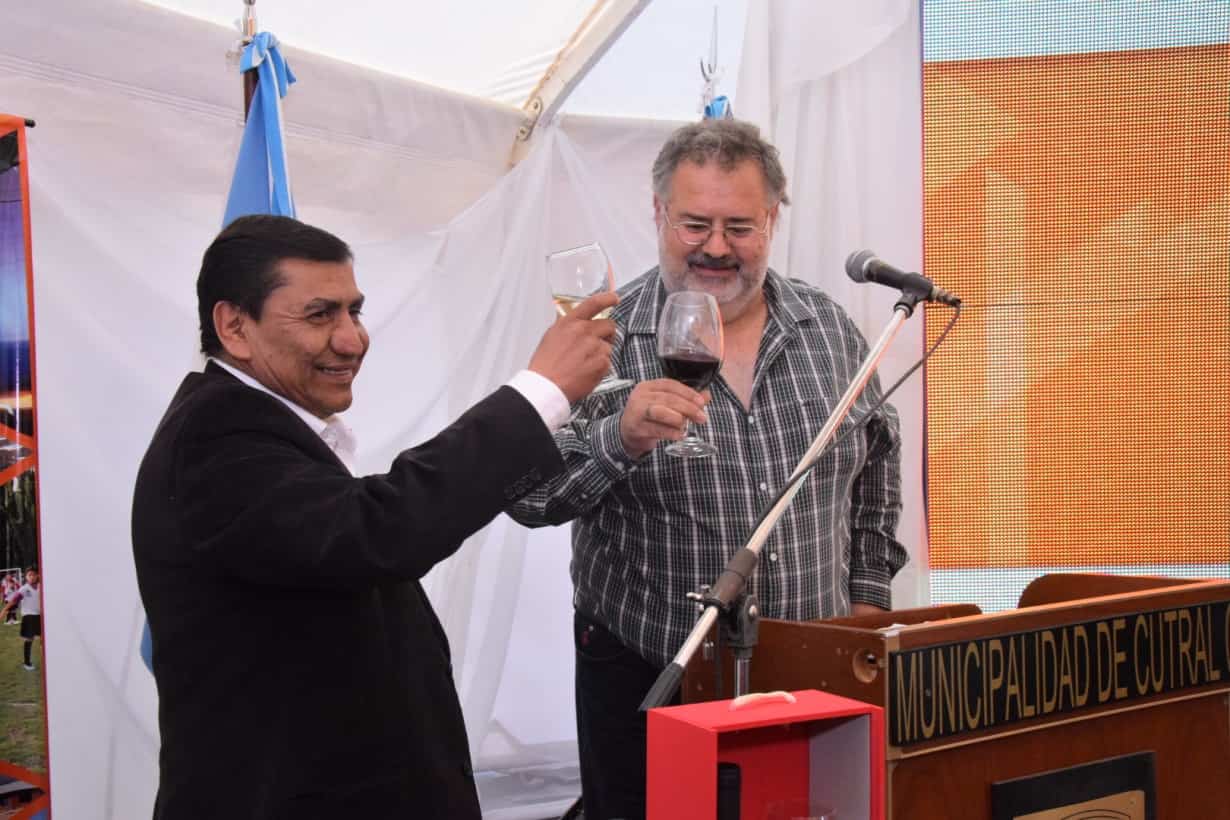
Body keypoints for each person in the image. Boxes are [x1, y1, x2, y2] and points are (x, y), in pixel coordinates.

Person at [131, 214, 618, 820]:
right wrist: (540, 393)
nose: (352, 340)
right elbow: (379, 532)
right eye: (320, 315)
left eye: (354, 311)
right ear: (234, 326)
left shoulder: (252, 426)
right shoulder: (216, 437)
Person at [507, 118, 908, 819]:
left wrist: (867, 603)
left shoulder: (826, 328)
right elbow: (528, 495)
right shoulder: (601, 339)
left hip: (809, 678)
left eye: (739, 227)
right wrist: (619, 440)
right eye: (695, 224)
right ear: (659, 213)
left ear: (773, 219)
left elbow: (878, 461)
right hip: (647, 677)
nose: (716, 247)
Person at [0, 567, 41, 669]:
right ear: (26, 577)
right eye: (29, 575)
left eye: (33, 574)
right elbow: (14, 600)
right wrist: (4, 610)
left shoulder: (41, 586)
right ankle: (27, 663)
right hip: (28, 616)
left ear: (37, 575)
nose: (32, 577)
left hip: (40, 615)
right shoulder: (24, 588)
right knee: (29, 639)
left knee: (44, 638)